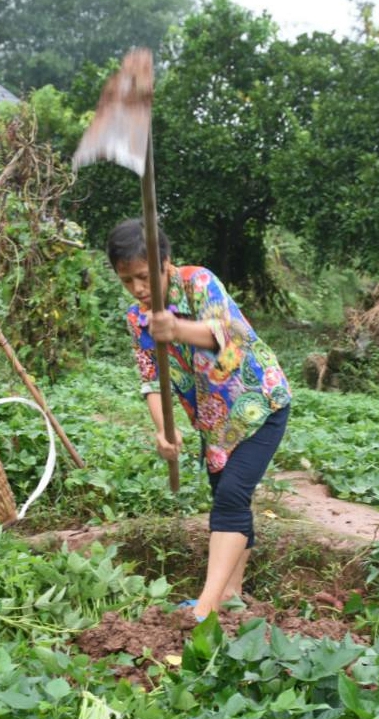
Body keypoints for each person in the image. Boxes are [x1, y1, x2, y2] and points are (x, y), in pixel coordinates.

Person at [107, 217, 291, 621]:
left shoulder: (198, 283)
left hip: (260, 405)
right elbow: (152, 379)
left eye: (143, 276)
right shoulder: (137, 318)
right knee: (229, 498)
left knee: (230, 499)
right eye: (127, 281)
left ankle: (206, 608)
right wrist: (162, 428)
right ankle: (231, 595)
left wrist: (175, 328)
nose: (138, 289)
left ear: (165, 262)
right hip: (213, 424)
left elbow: (224, 336)